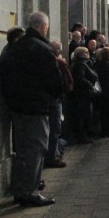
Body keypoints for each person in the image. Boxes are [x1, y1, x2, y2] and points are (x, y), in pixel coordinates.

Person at [0, 12, 62, 207]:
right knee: (36, 149)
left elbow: (4, 73)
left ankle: (21, 189)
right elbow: (54, 82)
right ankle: (29, 192)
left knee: (24, 150)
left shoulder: (15, 47)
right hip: (35, 107)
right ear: (43, 27)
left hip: (18, 106)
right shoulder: (42, 49)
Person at [44, 40, 73, 168]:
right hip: (55, 100)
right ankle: (53, 156)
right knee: (55, 129)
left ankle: (52, 154)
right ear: (58, 51)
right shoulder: (59, 63)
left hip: (45, 99)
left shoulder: (44, 61)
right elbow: (67, 82)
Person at [69, 47, 99, 143]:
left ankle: (83, 135)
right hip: (82, 94)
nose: (88, 54)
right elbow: (80, 78)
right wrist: (90, 85)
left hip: (82, 94)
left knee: (84, 115)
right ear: (81, 54)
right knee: (84, 115)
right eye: (85, 52)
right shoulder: (80, 64)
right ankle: (82, 136)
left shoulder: (81, 63)